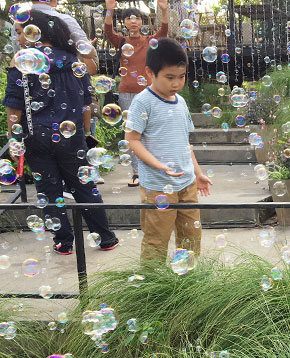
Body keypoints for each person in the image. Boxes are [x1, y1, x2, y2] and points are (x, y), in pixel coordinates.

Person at [3, 10, 118, 254]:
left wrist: (14, 139)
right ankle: (105, 237)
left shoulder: (20, 64)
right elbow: (86, 103)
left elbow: (15, 106)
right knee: (85, 186)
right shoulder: (74, 61)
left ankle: (64, 241)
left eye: (22, 32)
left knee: (49, 190)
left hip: (36, 136)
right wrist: (86, 133)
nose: (20, 37)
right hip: (72, 134)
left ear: (36, 32)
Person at [125, 38, 213, 262]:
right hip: (157, 187)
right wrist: (159, 165)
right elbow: (132, 140)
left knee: (191, 238)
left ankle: (186, 285)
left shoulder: (181, 102)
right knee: (156, 240)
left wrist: (198, 172)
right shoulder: (143, 102)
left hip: (187, 183)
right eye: (170, 77)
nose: (176, 83)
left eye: (181, 77)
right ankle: (154, 292)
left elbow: (185, 143)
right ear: (150, 73)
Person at [104, 0, 169, 187]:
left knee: (152, 132)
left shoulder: (149, 41)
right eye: (129, 18)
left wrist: (164, 11)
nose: (133, 22)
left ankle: (154, 169)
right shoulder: (121, 42)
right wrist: (110, 11)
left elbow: (163, 32)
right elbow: (108, 32)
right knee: (133, 134)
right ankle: (137, 172)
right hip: (126, 93)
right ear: (124, 22)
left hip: (149, 93)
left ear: (142, 22)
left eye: (137, 18)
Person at [10, 0, 98, 73]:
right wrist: (84, 46)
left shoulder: (17, 24)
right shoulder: (66, 19)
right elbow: (90, 57)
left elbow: (18, 54)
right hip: (67, 80)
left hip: (29, 79)